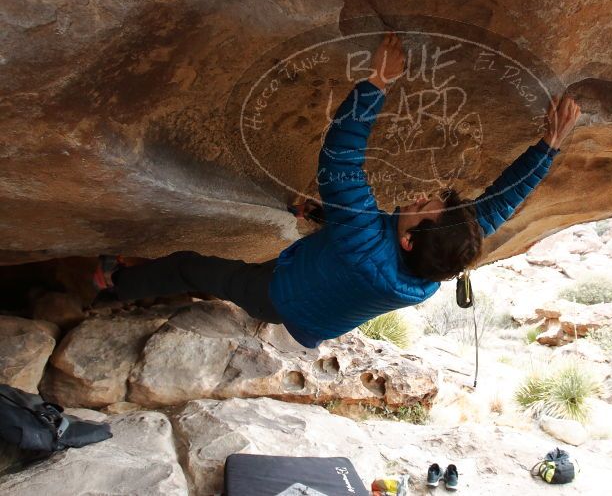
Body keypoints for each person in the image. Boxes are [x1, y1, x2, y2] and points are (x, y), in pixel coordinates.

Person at [94, 33, 580, 349]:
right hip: (319, 299)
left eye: (422, 207)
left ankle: (113, 288)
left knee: (189, 266)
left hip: (279, 297)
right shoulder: (433, 259)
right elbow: (499, 206)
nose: (418, 197)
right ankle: (304, 226)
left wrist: (377, 84)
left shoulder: (367, 245)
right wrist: (548, 146)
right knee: (337, 228)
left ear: (410, 239)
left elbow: (340, 161)